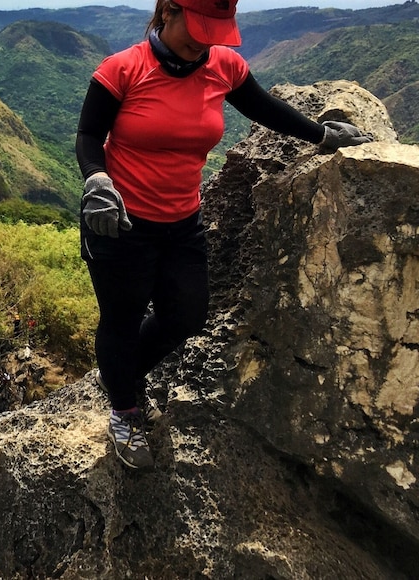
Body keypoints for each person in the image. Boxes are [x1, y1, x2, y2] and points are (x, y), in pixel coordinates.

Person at [75, 0, 372, 470]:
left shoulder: (223, 66)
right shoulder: (123, 69)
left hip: (182, 221)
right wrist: (96, 179)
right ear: (167, 12)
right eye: (194, 31)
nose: (202, 43)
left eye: (212, 33)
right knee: (122, 318)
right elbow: (90, 135)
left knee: (187, 315)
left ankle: (122, 377)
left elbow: (263, 108)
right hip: (122, 223)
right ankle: (125, 410)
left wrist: (320, 135)